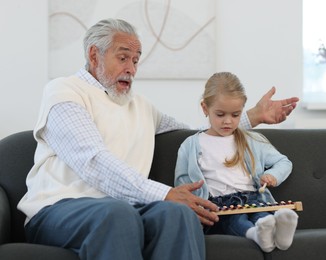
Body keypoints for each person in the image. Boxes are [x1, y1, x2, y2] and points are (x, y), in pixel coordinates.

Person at [17, 18, 299, 260]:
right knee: (119, 213)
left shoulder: (141, 106)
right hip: (59, 210)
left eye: (136, 60)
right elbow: (94, 162)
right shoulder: (64, 92)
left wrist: (250, 117)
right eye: (123, 57)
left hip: (126, 211)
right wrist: (164, 194)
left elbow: (196, 136)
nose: (132, 68)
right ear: (94, 56)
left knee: (179, 215)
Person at [174, 72, 298, 253]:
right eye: (220, 114)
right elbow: (182, 184)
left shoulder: (252, 140)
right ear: (204, 108)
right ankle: (256, 235)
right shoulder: (191, 145)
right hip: (219, 207)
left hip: (254, 199)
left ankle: (280, 234)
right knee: (236, 220)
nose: (228, 121)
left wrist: (272, 176)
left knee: (263, 215)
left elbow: (283, 162)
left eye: (235, 115)